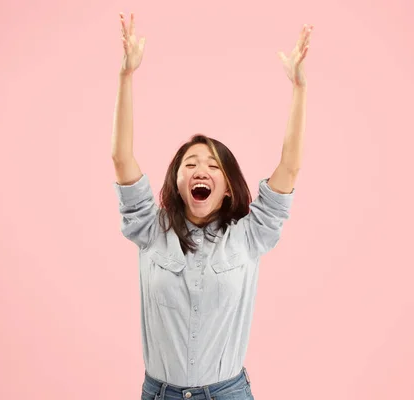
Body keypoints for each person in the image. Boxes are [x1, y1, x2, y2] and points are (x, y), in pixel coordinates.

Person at [112, 12, 313, 400]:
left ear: (225, 188)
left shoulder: (250, 236)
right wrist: (126, 77)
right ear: (176, 182)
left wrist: (299, 89)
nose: (199, 169)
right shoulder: (150, 230)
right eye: (190, 164)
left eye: (212, 165)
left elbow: (290, 165)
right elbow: (121, 160)